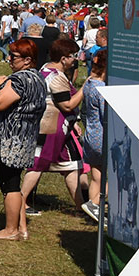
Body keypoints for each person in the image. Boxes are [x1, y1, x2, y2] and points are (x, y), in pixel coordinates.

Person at [0, 39, 49, 240]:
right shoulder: (38, 78)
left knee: (9, 185)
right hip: (25, 137)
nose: (9, 59)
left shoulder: (19, 80)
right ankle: (21, 227)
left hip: (9, 139)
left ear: (28, 60)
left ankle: (10, 230)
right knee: (14, 182)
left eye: (13, 56)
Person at [20, 38, 87, 216]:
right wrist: (84, 88)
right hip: (50, 128)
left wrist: (73, 123)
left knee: (71, 164)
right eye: (73, 56)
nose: (76, 59)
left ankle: (80, 205)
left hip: (62, 128)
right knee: (38, 164)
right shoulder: (56, 77)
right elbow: (67, 105)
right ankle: (20, 202)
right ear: (63, 59)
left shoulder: (46, 69)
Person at [80, 50, 108, 222]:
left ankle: (92, 212)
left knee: (96, 177)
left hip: (90, 135)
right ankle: (94, 204)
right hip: (102, 137)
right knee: (114, 180)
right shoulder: (102, 90)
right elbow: (106, 115)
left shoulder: (89, 84)